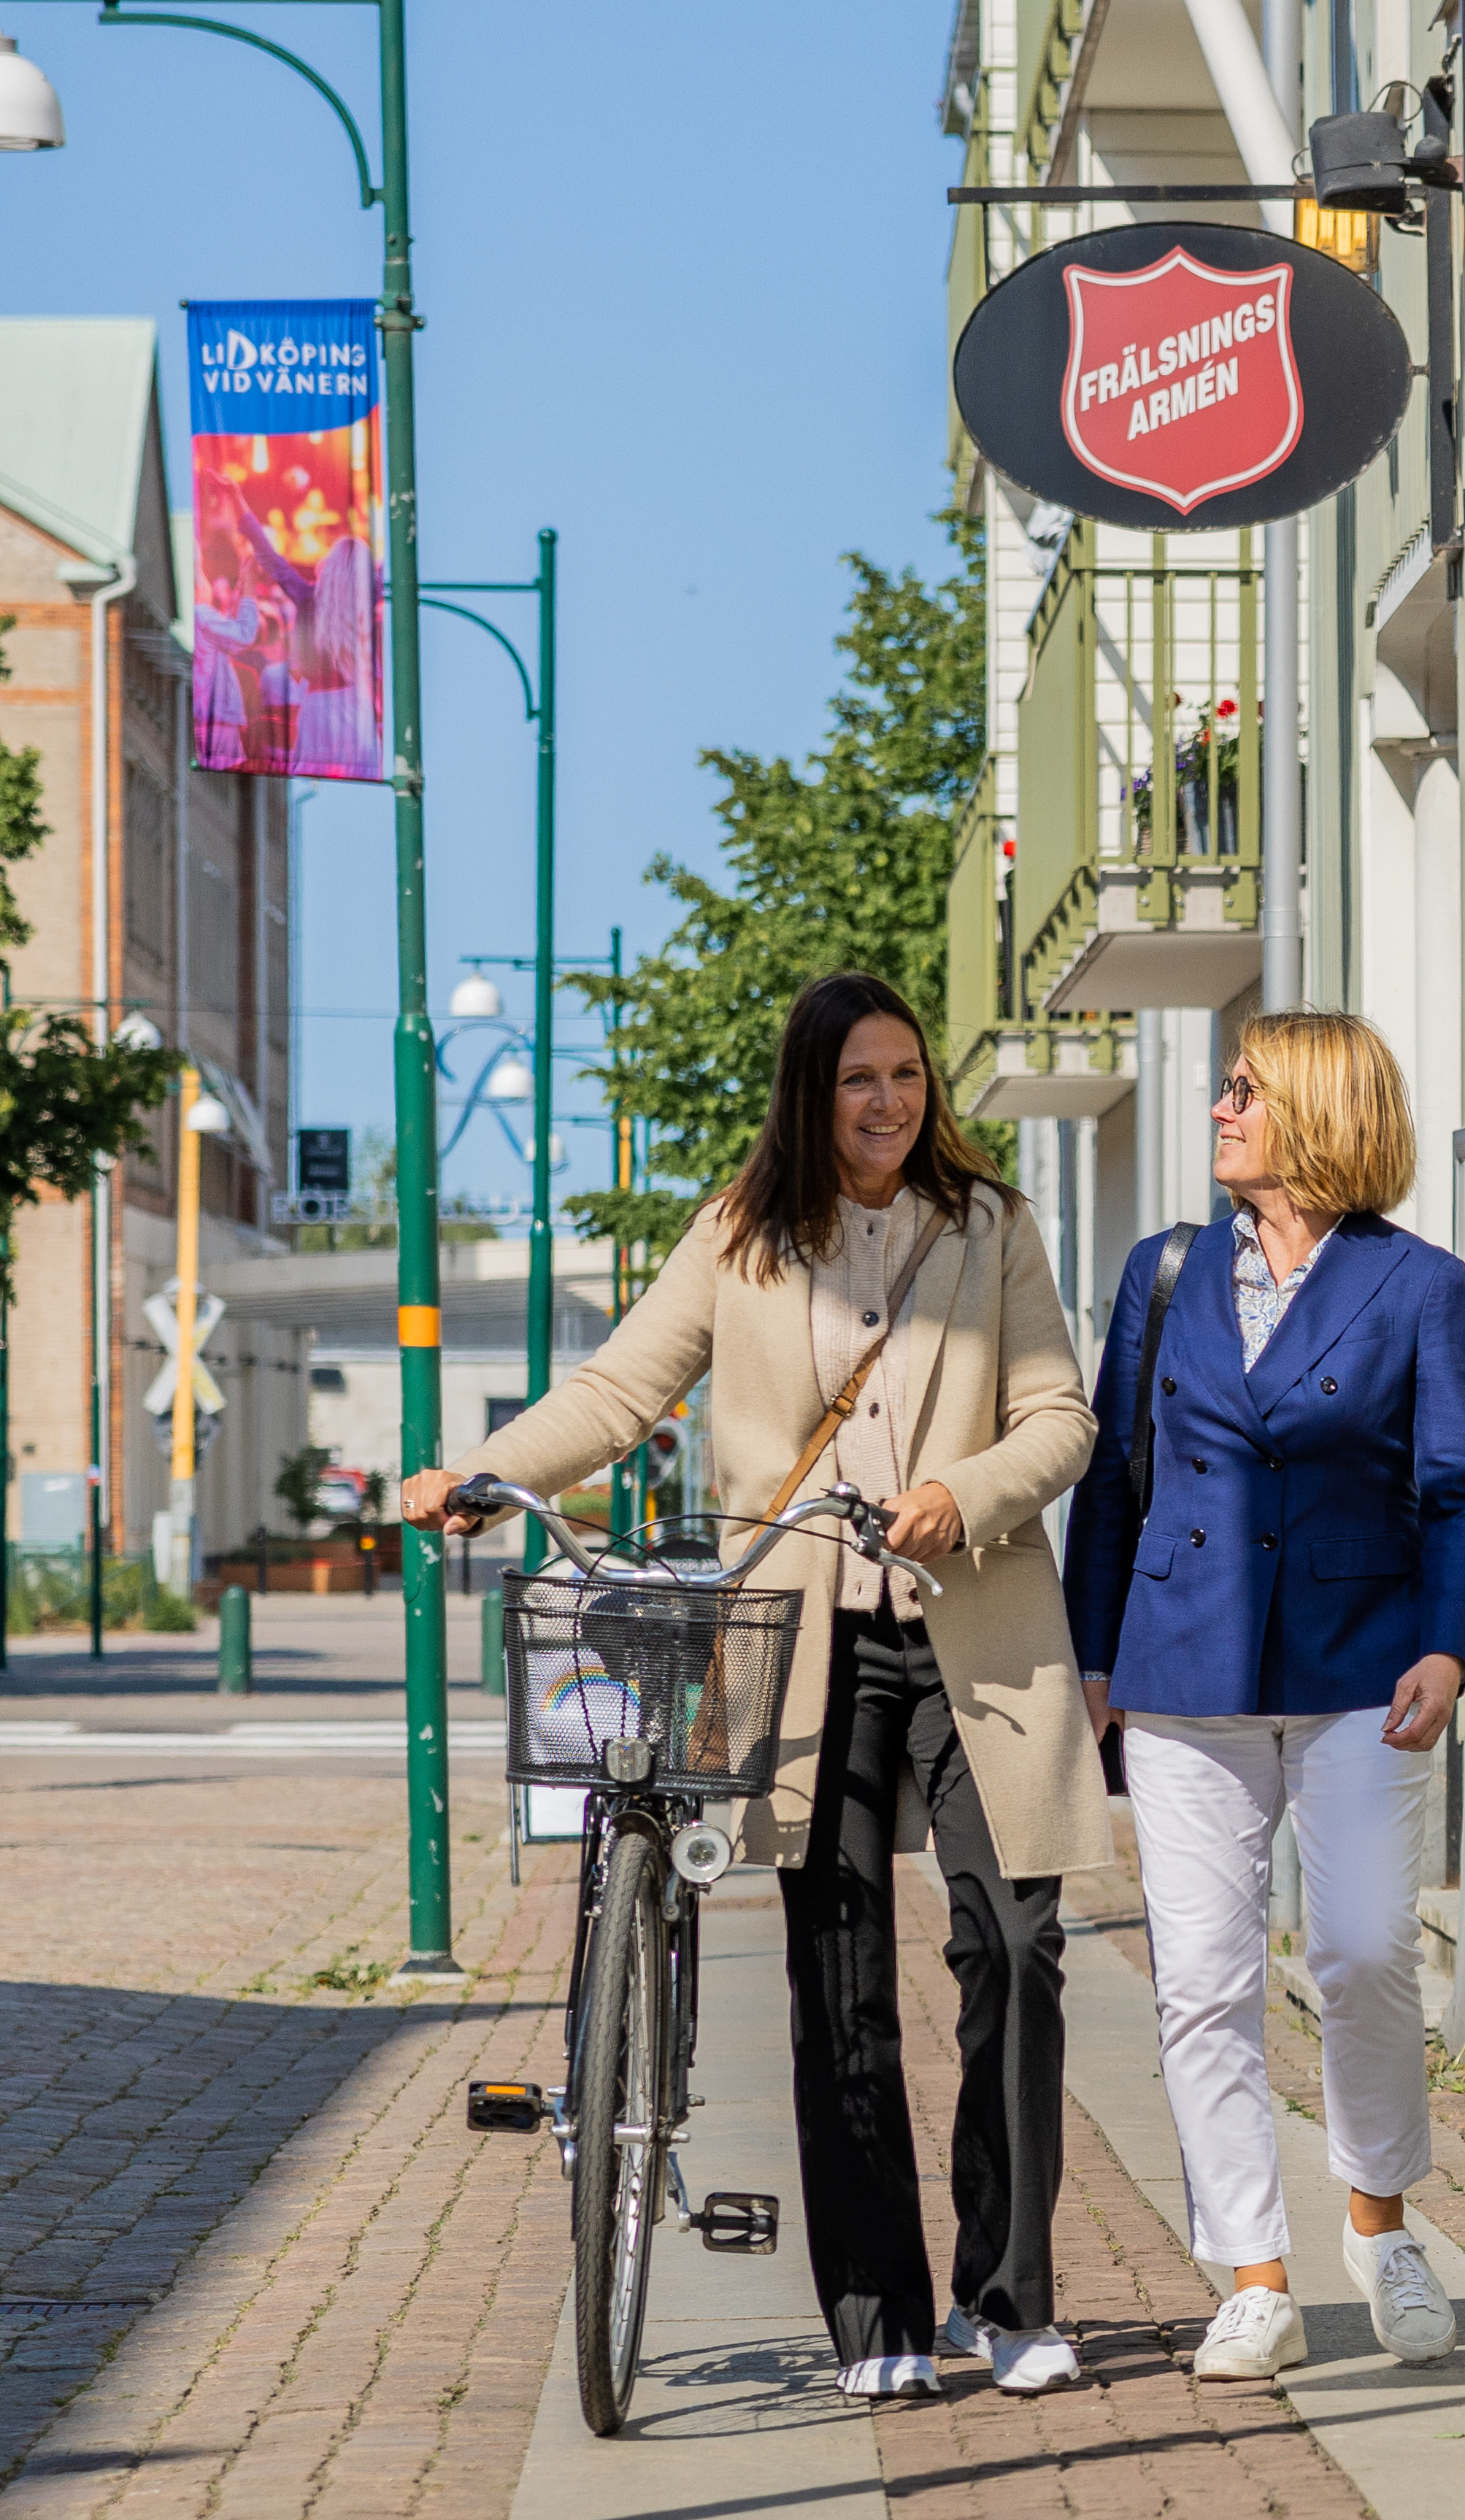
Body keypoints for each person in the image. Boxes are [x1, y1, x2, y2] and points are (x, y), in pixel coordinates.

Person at [402, 973, 1110, 2400]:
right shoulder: (738, 1238)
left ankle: (1007, 2294)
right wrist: (491, 1474)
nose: (889, 1101)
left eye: (906, 1074)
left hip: (971, 1615)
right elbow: (619, 1391)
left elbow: (1059, 1418)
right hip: (800, 1637)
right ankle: (877, 2317)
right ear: (810, 1090)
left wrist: (955, 1495)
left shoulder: (989, 1228)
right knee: (835, 1971)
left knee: (1013, 1948)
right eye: (860, 1078)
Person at [1068, 1012, 1465, 2382]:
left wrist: (1448, 1645)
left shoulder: (1421, 1286)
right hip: (1185, 1667)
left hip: (1358, 1662)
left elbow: (1461, 1487)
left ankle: (1380, 2220)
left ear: (1313, 1111)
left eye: (1243, 1090)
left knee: (1366, 1950)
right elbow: (1115, 1485)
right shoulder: (1167, 1269)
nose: (1218, 1108)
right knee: (1200, 1980)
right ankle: (1253, 2272)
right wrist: (1093, 1655)